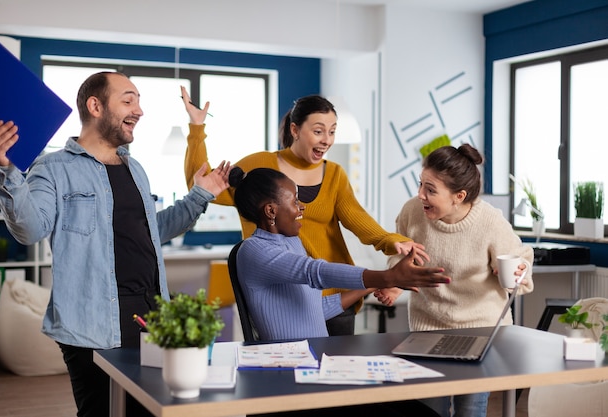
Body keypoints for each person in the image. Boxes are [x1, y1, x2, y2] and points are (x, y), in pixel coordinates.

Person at [0, 71, 231, 417]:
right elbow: (30, 229)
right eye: (128, 100)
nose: (140, 110)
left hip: (153, 318)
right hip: (94, 325)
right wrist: (6, 169)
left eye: (139, 101)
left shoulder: (137, 169)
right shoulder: (52, 168)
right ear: (95, 106)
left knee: (150, 411)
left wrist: (200, 195)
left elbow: (151, 232)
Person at [183, 91, 418, 335]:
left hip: (335, 297)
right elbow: (201, 185)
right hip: (287, 296)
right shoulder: (259, 168)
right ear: (295, 130)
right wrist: (196, 129)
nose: (327, 139)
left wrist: (393, 242)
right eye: (318, 131)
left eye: (332, 131)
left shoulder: (335, 174)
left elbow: (359, 221)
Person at [229, 165, 449, 417]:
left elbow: (314, 309)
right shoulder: (253, 251)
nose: (301, 208)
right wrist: (388, 275)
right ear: (271, 210)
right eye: (295, 201)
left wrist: (374, 285)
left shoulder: (292, 242)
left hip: (322, 372)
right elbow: (314, 272)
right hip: (293, 383)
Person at [387, 144, 534, 417]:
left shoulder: (489, 221)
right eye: (421, 184)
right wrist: (396, 282)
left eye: (430, 189)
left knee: (470, 409)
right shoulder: (412, 212)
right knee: (429, 410)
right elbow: (400, 257)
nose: (421, 195)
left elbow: (520, 260)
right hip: (427, 329)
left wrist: (518, 271)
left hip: (480, 329)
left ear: (459, 196)